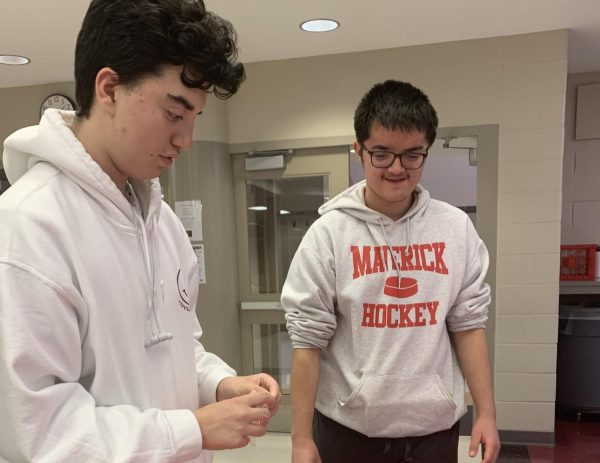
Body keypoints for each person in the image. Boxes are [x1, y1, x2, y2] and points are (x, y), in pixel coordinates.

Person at [0, 1, 280, 462]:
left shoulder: (161, 222)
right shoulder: (28, 229)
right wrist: (188, 430)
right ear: (109, 89)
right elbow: (37, 433)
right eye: (174, 114)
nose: (185, 140)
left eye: (195, 119)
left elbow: (177, 349)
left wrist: (218, 384)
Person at [282, 80, 500, 463]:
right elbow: (307, 342)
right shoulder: (329, 234)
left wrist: (487, 413)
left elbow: (468, 325)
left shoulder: (455, 229)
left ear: (426, 153)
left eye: (412, 155)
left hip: (434, 431)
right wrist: (301, 439)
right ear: (359, 150)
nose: (397, 168)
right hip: (347, 431)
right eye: (381, 154)